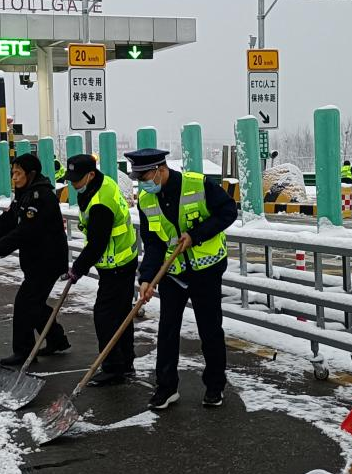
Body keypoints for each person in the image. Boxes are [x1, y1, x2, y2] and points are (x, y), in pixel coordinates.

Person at [127, 148, 238, 409]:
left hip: (206, 269)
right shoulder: (146, 200)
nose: (143, 183)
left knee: (209, 329)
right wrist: (147, 278)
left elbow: (228, 212)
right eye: (139, 179)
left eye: (145, 177)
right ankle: (166, 388)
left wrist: (197, 235)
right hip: (173, 272)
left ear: (160, 169)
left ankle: (214, 386)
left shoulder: (198, 184)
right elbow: (153, 242)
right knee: (167, 330)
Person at [0, 152, 70, 367]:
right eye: (13, 173)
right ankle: (57, 339)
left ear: (31, 174)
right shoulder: (24, 194)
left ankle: (24, 353)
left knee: (25, 304)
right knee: (34, 303)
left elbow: (25, 232)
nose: (14, 178)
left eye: (18, 173)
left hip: (47, 261)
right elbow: (7, 221)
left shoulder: (41, 197)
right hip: (35, 260)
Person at [60, 154, 138, 386]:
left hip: (116, 265)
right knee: (121, 314)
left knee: (105, 317)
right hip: (122, 261)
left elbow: (97, 244)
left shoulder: (100, 203)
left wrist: (77, 269)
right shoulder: (103, 184)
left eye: (77, 179)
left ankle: (114, 368)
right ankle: (125, 363)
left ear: (91, 175)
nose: (73, 184)